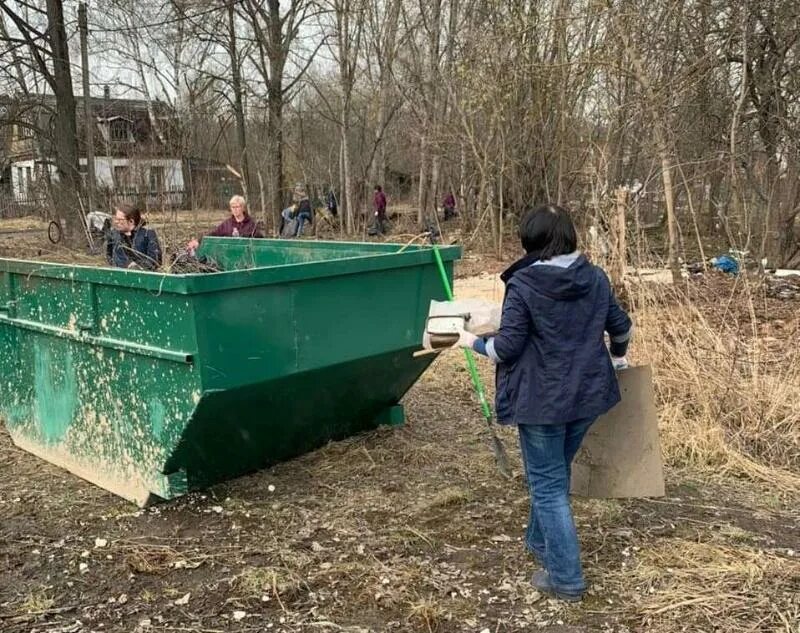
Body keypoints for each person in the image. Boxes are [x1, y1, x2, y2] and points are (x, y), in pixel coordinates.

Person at [454, 204, 632, 602]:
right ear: (570, 238)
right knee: (554, 473)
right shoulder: (596, 278)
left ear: (530, 242)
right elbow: (621, 327)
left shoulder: (525, 285)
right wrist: (619, 359)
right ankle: (539, 542)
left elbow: (506, 347)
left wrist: (471, 341)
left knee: (549, 486)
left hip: (541, 401)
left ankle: (566, 578)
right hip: (587, 396)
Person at [187, 195, 263, 253]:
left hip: (247, 257)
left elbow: (261, 242)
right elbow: (213, 234)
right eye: (233, 207)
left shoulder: (251, 224)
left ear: (243, 208)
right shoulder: (227, 224)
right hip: (230, 255)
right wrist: (198, 241)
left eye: (237, 207)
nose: (235, 209)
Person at [105, 203, 162, 270]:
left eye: (120, 219)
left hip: (143, 276)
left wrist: (138, 267)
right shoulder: (114, 234)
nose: (116, 222)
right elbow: (109, 254)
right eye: (115, 218)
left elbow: (155, 261)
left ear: (131, 221)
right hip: (119, 276)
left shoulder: (147, 234)